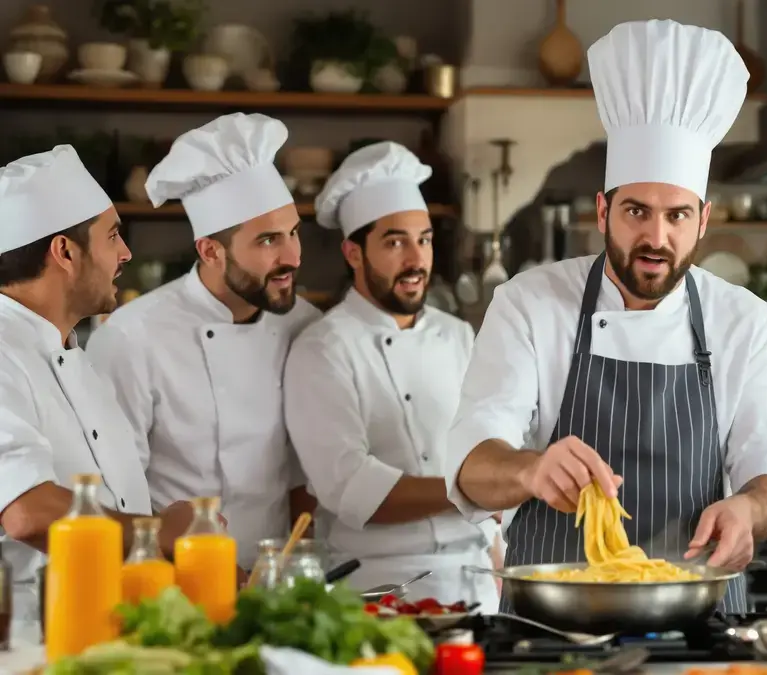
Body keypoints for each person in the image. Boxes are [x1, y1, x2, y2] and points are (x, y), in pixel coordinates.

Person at [444, 19, 767, 614]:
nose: (656, 237)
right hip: (553, 624)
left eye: (677, 216)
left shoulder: (743, 319)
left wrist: (748, 509)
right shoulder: (529, 304)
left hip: (699, 619)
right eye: (637, 210)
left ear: (704, 220)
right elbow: (471, 462)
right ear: (603, 209)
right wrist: (532, 472)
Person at [85, 113, 322, 574]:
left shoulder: (305, 326)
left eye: (294, 232)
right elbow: (111, 490)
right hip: (171, 578)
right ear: (211, 251)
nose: (292, 256)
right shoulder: (134, 336)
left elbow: (303, 472)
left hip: (274, 576)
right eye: (269, 240)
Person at [283, 141, 501, 610]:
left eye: (423, 240)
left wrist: (503, 560)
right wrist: (473, 487)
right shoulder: (323, 348)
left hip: (477, 586)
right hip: (378, 595)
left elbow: (486, 443)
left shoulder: (459, 335)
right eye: (395, 241)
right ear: (353, 253)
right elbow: (350, 488)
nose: (416, 260)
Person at [0, 146, 195, 621]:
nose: (126, 254)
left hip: (106, 627)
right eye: (112, 236)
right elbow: (28, 512)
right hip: (30, 645)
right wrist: (159, 531)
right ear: (65, 252)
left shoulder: (75, 357)